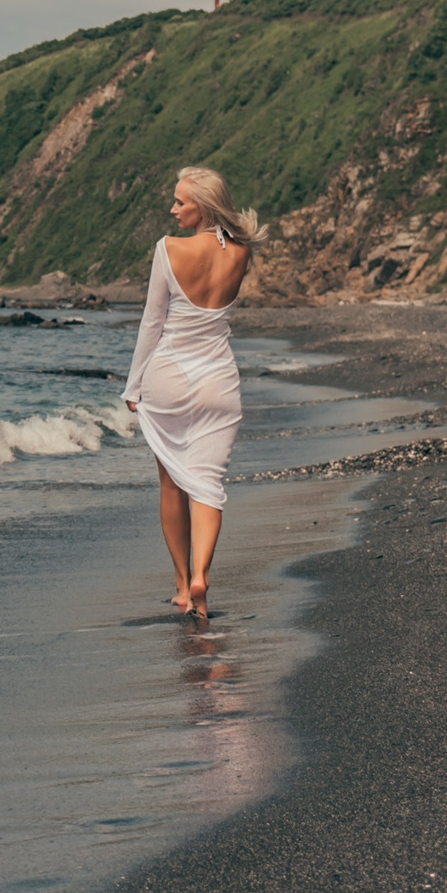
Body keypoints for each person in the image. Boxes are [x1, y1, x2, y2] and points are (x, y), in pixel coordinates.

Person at [122, 166, 265, 620]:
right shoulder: (241, 251)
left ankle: (184, 586)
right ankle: (203, 573)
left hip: (170, 374)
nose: (173, 208)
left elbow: (152, 323)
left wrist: (133, 384)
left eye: (180, 201)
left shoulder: (169, 250)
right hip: (219, 379)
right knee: (207, 485)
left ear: (201, 206)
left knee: (171, 482)